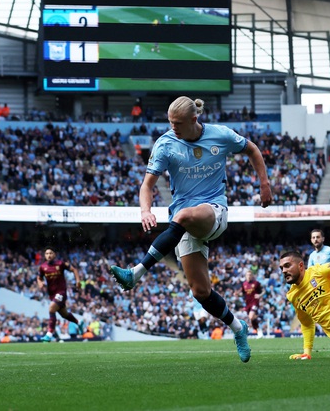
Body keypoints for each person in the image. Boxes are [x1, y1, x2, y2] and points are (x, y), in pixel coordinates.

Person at [110, 96, 272, 363]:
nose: (173, 127)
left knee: (183, 214)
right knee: (200, 292)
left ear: (194, 119)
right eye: (170, 122)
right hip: (182, 223)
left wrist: (264, 184)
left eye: (178, 123)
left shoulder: (220, 135)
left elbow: (252, 149)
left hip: (213, 212)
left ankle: (136, 273)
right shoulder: (165, 144)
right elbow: (147, 186)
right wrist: (145, 211)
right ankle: (238, 328)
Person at [37, 247, 84, 342]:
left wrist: (78, 281)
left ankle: (49, 334)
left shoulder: (60, 264)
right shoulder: (43, 267)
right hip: (52, 294)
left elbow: (74, 270)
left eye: (50, 253)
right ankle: (79, 323)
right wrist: (40, 283)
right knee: (64, 314)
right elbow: (39, 277)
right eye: (46, 253)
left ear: (54, 255)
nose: (48, 255)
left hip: (61, 292)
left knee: (51, 309)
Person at [242, 269, 264, 337]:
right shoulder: (244, 284)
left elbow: (264, 291)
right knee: (252, 318)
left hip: (254, 302)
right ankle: (258, 330)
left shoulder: (256, 283)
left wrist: (259, 295)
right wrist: (237, 294)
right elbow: (243, 294)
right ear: (245, 276)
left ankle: (258, 328)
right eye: (247, 275)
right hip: (248, 304)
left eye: (250, 275)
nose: (249, 276)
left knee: (251, 317)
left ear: (252, 276)